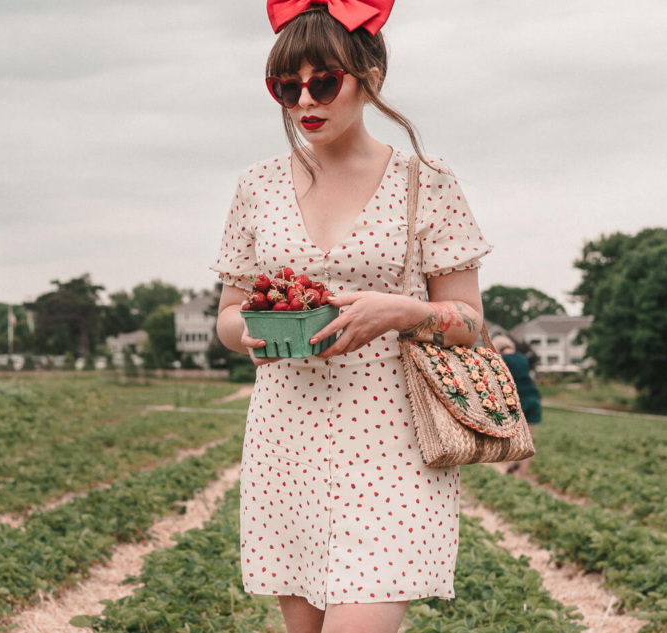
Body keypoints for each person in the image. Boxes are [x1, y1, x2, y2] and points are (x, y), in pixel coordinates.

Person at [211, 3, 494, 632]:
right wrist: (258, 331)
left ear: (368, 75)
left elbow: (471, 323)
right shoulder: (256, 186)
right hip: (288, 440)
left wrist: (399, 311)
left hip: (392, 446)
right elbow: (229, 317)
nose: (304, 100)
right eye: (286, 86)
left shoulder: (428, 182)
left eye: (323, 81)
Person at [491, 335, 541, 475]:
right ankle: (523, 474)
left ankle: (509, 464)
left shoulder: (501, 359)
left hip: (517, 399)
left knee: (511, 436)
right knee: (528, 440)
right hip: (533, 398)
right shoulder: (522, 357)